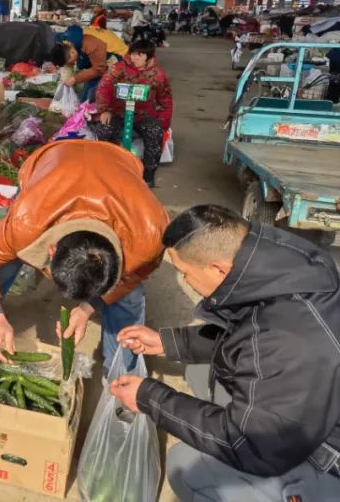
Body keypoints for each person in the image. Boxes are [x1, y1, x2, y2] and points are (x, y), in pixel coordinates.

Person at [112, 205, 340, 501]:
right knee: (201, 373)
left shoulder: (286, 343)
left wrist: (149, 397)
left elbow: (250, 447)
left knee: (188, 470)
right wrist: (169, 342)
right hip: (313, 396)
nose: (185, 282)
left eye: (185, 274)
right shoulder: (277, 259)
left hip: (329, 456)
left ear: (219, 268)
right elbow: (249, 330)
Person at [0, 139, 169, 381]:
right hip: (51, 164)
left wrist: (86, 309)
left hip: (119, 167)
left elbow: (133, 276)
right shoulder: (26, 221)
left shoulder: (149, 234)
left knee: (129, 295)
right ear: (50, 251)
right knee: (3, 261)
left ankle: (121, 373)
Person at [91, 39, 173, 187]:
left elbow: (165, 99)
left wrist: (164, 123)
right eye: (133, 54)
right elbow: (103, 88)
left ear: (148, 56)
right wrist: (104, 110)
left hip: (143, 115)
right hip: (117, 112)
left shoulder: (157, 74)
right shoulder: (118, 68)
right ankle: (110, 167)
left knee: (155, 132)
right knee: (104, 130)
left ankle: (148, 174)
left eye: (140, 55)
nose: (135, 58)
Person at [51, 24, 108, 101]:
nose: (74, 63)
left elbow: (99, 68)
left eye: (72, 62)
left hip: (110, 62)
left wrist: (74, 79)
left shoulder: (91, 45)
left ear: (73, 53)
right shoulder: (63, 42)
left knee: (90, 98)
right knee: (84, 96)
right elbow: (65, 63)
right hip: (93, 61)